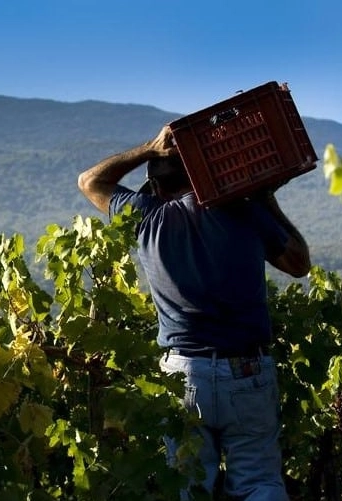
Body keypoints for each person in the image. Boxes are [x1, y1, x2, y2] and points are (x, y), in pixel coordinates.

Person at [77, 124, 310, 500]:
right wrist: (264, 198)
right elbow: (299, 263)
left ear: (155, 187)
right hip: (247, 371)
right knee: (258, 483)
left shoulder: (145, 217)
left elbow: (90, 181)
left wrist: (149, 149)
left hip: (184, 375)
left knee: (188, 488)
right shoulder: (243, 210)